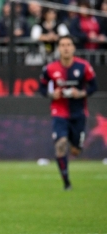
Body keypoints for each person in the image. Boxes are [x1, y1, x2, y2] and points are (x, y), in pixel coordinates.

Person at [38, 35, 97, 190]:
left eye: (68, 44)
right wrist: (52, 94)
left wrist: (81, 93)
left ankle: (76, 146)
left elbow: (93, 86)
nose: (65, 48)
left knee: (76, 150)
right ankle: (66, 182)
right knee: (61, 143)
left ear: (73, 48)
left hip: (78, 113)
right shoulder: (50, 68)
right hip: (59, 111)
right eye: (62, 45)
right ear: (58, 48)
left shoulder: (83, 66)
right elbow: (42, 88)